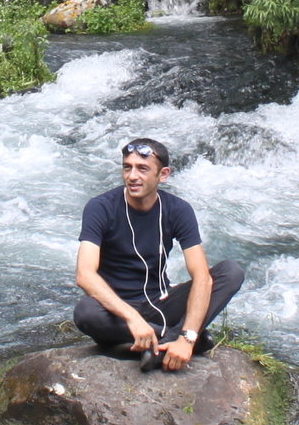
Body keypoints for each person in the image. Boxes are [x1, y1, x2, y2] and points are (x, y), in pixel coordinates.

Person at [73, 138, 243, 373]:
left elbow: (202, 277)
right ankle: (171, 340)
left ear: (163, 175)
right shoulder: (100, 207)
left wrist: (187, 337)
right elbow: (85, 275)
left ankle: (166, 344)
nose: (132, 176)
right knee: (86, 312)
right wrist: (132, 318)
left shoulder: (178, 210)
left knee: (231, 272)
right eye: (127, 167)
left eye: (142, 169)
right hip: (116, 312)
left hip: (160, 303)